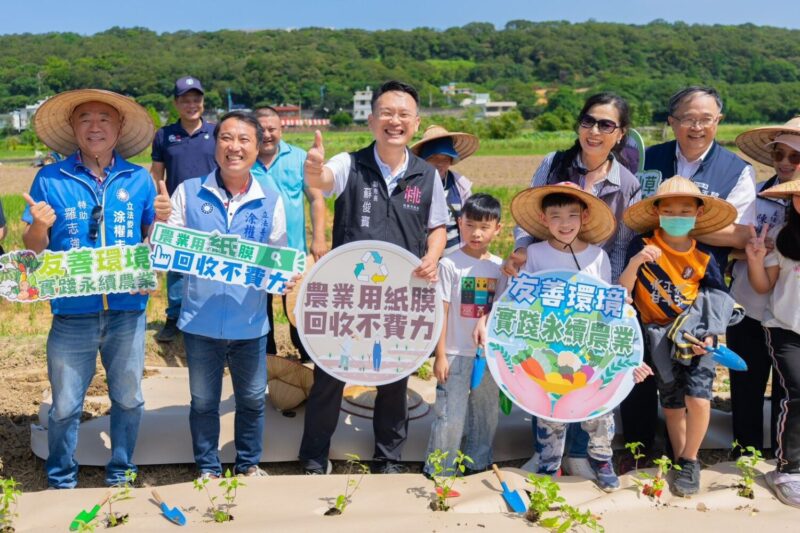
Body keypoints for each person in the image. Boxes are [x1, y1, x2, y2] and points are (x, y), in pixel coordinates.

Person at [21, 89, 170, 488]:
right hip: (72, 313)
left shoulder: (138, 179)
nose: (95, 126)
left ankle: (121, 471)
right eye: (85, 118)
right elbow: (33, 250)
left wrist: (163, 219)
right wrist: (38, 226)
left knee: (129, 398)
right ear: (73, 128)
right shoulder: (50, 178)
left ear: (119, 128)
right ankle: (61, 478)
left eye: (105, 118)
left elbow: (153, 244)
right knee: (65, 405)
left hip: (128, 311)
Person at [300, 80, 448, 475]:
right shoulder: (350, 163)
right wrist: (315, 170)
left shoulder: (427, 175)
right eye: (386, 113)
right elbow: (324, 180)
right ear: (371, 120)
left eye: (403, 114)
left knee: (394, 378)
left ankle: (388, 458)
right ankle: (313, 457)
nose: (394, 121)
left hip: (399, 297)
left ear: (416, 123)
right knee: (330, 375)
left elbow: (437, 227)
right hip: (349, 297)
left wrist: (433, 256)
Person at [503, 92, 641, 479]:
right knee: (545, 365)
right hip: (547, 287)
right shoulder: (554, 163)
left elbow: (620, 244)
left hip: (592, 291)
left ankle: (581, 454)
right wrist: (521, 251)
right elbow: (529, 224)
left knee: (587, 372)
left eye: (606, 125)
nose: (594, 131)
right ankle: (547, 454)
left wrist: (611, 297)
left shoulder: (626, 183)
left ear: (621, 133)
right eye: (588, 121)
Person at [622, 86, 756, 458]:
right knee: (642, 365)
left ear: (718, 121)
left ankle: (683, 455)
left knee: (691, 373)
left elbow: (741, 233)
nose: (697, 127)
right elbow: (630, 214)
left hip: (699, 290)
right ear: (672, 121)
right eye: (687, 119)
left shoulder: (737, 170)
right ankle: (639, 449)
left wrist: (674, 226)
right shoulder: (648, 160)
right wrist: (692, 225)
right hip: (647, 285)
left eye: (706, 119)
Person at [500, 182, 652, 491]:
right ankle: (549, 464)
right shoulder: (533, 254)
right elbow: (521, 303)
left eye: (572, 215)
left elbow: (610, 309)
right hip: (547, 346)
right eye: (555, 216)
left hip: (588, 347)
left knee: (598, 407)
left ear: (584, 216)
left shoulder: (598, 257)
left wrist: (628, 357)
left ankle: (601, 460)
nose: (564, 223)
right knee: (550, 407)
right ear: (543, 219)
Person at [166, 111, 290, 479]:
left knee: (251, 398)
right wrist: (158, 227)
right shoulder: (189, 192)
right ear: (215, 143)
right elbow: (167, 248)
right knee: (204, 401)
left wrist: (285, 277)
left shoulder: (270, 198)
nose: (234, 147)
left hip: (250, 322)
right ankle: (208, 467)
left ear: (257, 146)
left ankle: (248, 463)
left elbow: (278, 254)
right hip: (199, 320)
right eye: (226, 138)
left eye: (244, 139)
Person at [620, 176, 739, 496]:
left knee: (698, 397)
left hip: (696, 338)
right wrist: (635, 263)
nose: (676, 217)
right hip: (658, 337)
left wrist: (710, 336)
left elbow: (717, 299)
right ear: (656, 212)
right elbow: (623, 291)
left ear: (698, 213)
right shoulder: (642, 246)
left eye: (685, 211)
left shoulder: (704, 255)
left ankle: (690, 459)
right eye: (669, 211)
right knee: (672, 403)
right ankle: (680, 457)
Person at [728, 117, 800, 453]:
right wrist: (750, 250)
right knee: (746, 385)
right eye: (778, 154)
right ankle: (745, 455)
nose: (784, 163)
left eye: (794, 157)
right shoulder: (754, 197)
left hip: (790, 315)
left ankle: (783, 455)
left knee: (791, 390)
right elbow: (725, 239)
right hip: (750, 304)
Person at [423, 193, 502, 477]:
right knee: (450, 415)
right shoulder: (449, 264)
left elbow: (501, 310)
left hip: (487, 356)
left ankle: (477, 464)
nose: (476, 233)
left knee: (486, 414)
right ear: (459, 224)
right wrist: (440, 355)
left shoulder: (500, 268)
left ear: (498, 229)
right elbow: (441, 312)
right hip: (454, 354)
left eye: (484, 227)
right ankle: (440, 469)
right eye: (470, 225)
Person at [252, 107, 328, 361]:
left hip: (292, 252)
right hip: (257, 253)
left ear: (281, 129)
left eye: (272, 129)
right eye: (261, 129)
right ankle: (266, 359)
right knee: (259, 310)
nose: (266, 134)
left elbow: (316, 199)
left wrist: (319, 238)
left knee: (297, 307)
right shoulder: (245, 159)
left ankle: (308, 357)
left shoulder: (298, 158)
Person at [746, 178, 800, 508]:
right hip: (785, 329)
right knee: (798, 392)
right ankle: (788, 469)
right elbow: (763, 285)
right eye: (798, 195)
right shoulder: (783, 237)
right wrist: (754, 258)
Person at [151, 76, 217, 343]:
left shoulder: (216, 132)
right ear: (176, 103)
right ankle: (175, 317)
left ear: (203, 102)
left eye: (196, 99)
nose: (192, 105)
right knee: (177, 264)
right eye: (185, 100)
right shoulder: (164, 135)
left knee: (210, 261)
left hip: (212, 208)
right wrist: (160, 202)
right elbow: (157, 172)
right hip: (177, 209)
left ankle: (208, 313)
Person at [410, 125, 477, 255]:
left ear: (451, 160)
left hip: (455, 257)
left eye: (445, 159)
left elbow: (472, 221)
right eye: (434, 158)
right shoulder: (410, 183)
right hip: (421, 257)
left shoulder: (461, 185)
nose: (440, 164)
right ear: (423, 159)